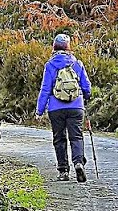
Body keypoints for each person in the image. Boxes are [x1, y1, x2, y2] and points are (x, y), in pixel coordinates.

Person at [35, 33, 92, 182]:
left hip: (56, 108)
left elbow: (45, 89)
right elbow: (86, 86)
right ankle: (79, 162)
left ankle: (63, 171)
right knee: (77, 137)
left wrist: (39, 111)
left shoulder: (50, 65)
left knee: (59, 139)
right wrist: (85, 96)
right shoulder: (77, 63)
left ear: (54, 47)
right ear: (68, 47)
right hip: (76, 106)